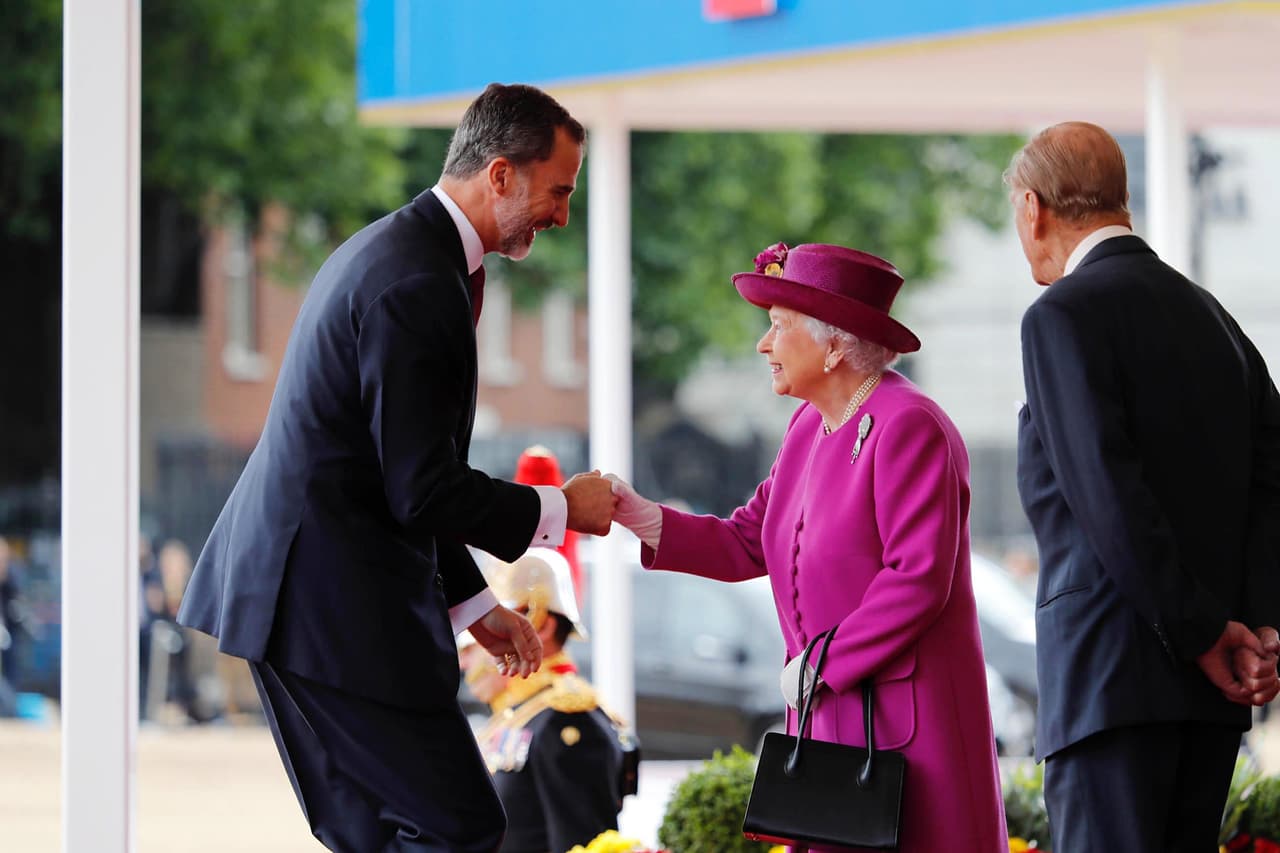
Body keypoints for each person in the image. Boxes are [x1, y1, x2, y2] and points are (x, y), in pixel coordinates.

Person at [177, 83, 616, 852]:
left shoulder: (407, 253)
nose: (562, 215)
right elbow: (422, 487)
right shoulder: (419, 279)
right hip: (328, 607)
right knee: (458, 827)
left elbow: (406, 470)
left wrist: (474, 603)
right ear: (502, 174)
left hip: (298, 599)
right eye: (559, 190)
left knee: (376, 834)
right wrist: (559, 510)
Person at [608, 242, 1008, 852]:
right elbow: (750, 541)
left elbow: (917, 577)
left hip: (908, 730)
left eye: (777, 327)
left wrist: (822, 662)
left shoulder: (910, 425)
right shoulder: (808, 427)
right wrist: (643, 518)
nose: (763, 346)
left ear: (835, 342)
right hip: (827, 721)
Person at [1007, 121, 1280, 852]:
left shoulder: (1061, 315)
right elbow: (1269, 486)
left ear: (1033, 208)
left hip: (1109, 682)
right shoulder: (1219, 322)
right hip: (1211, 694)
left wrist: (1199, 630)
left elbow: (1106, 492)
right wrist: (1255, 629)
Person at [459, 548, 632, 853]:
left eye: (489, 629)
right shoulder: (519, 713)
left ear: (540, 625)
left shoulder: (568, 718)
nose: (465, 660)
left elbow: (581, 843)